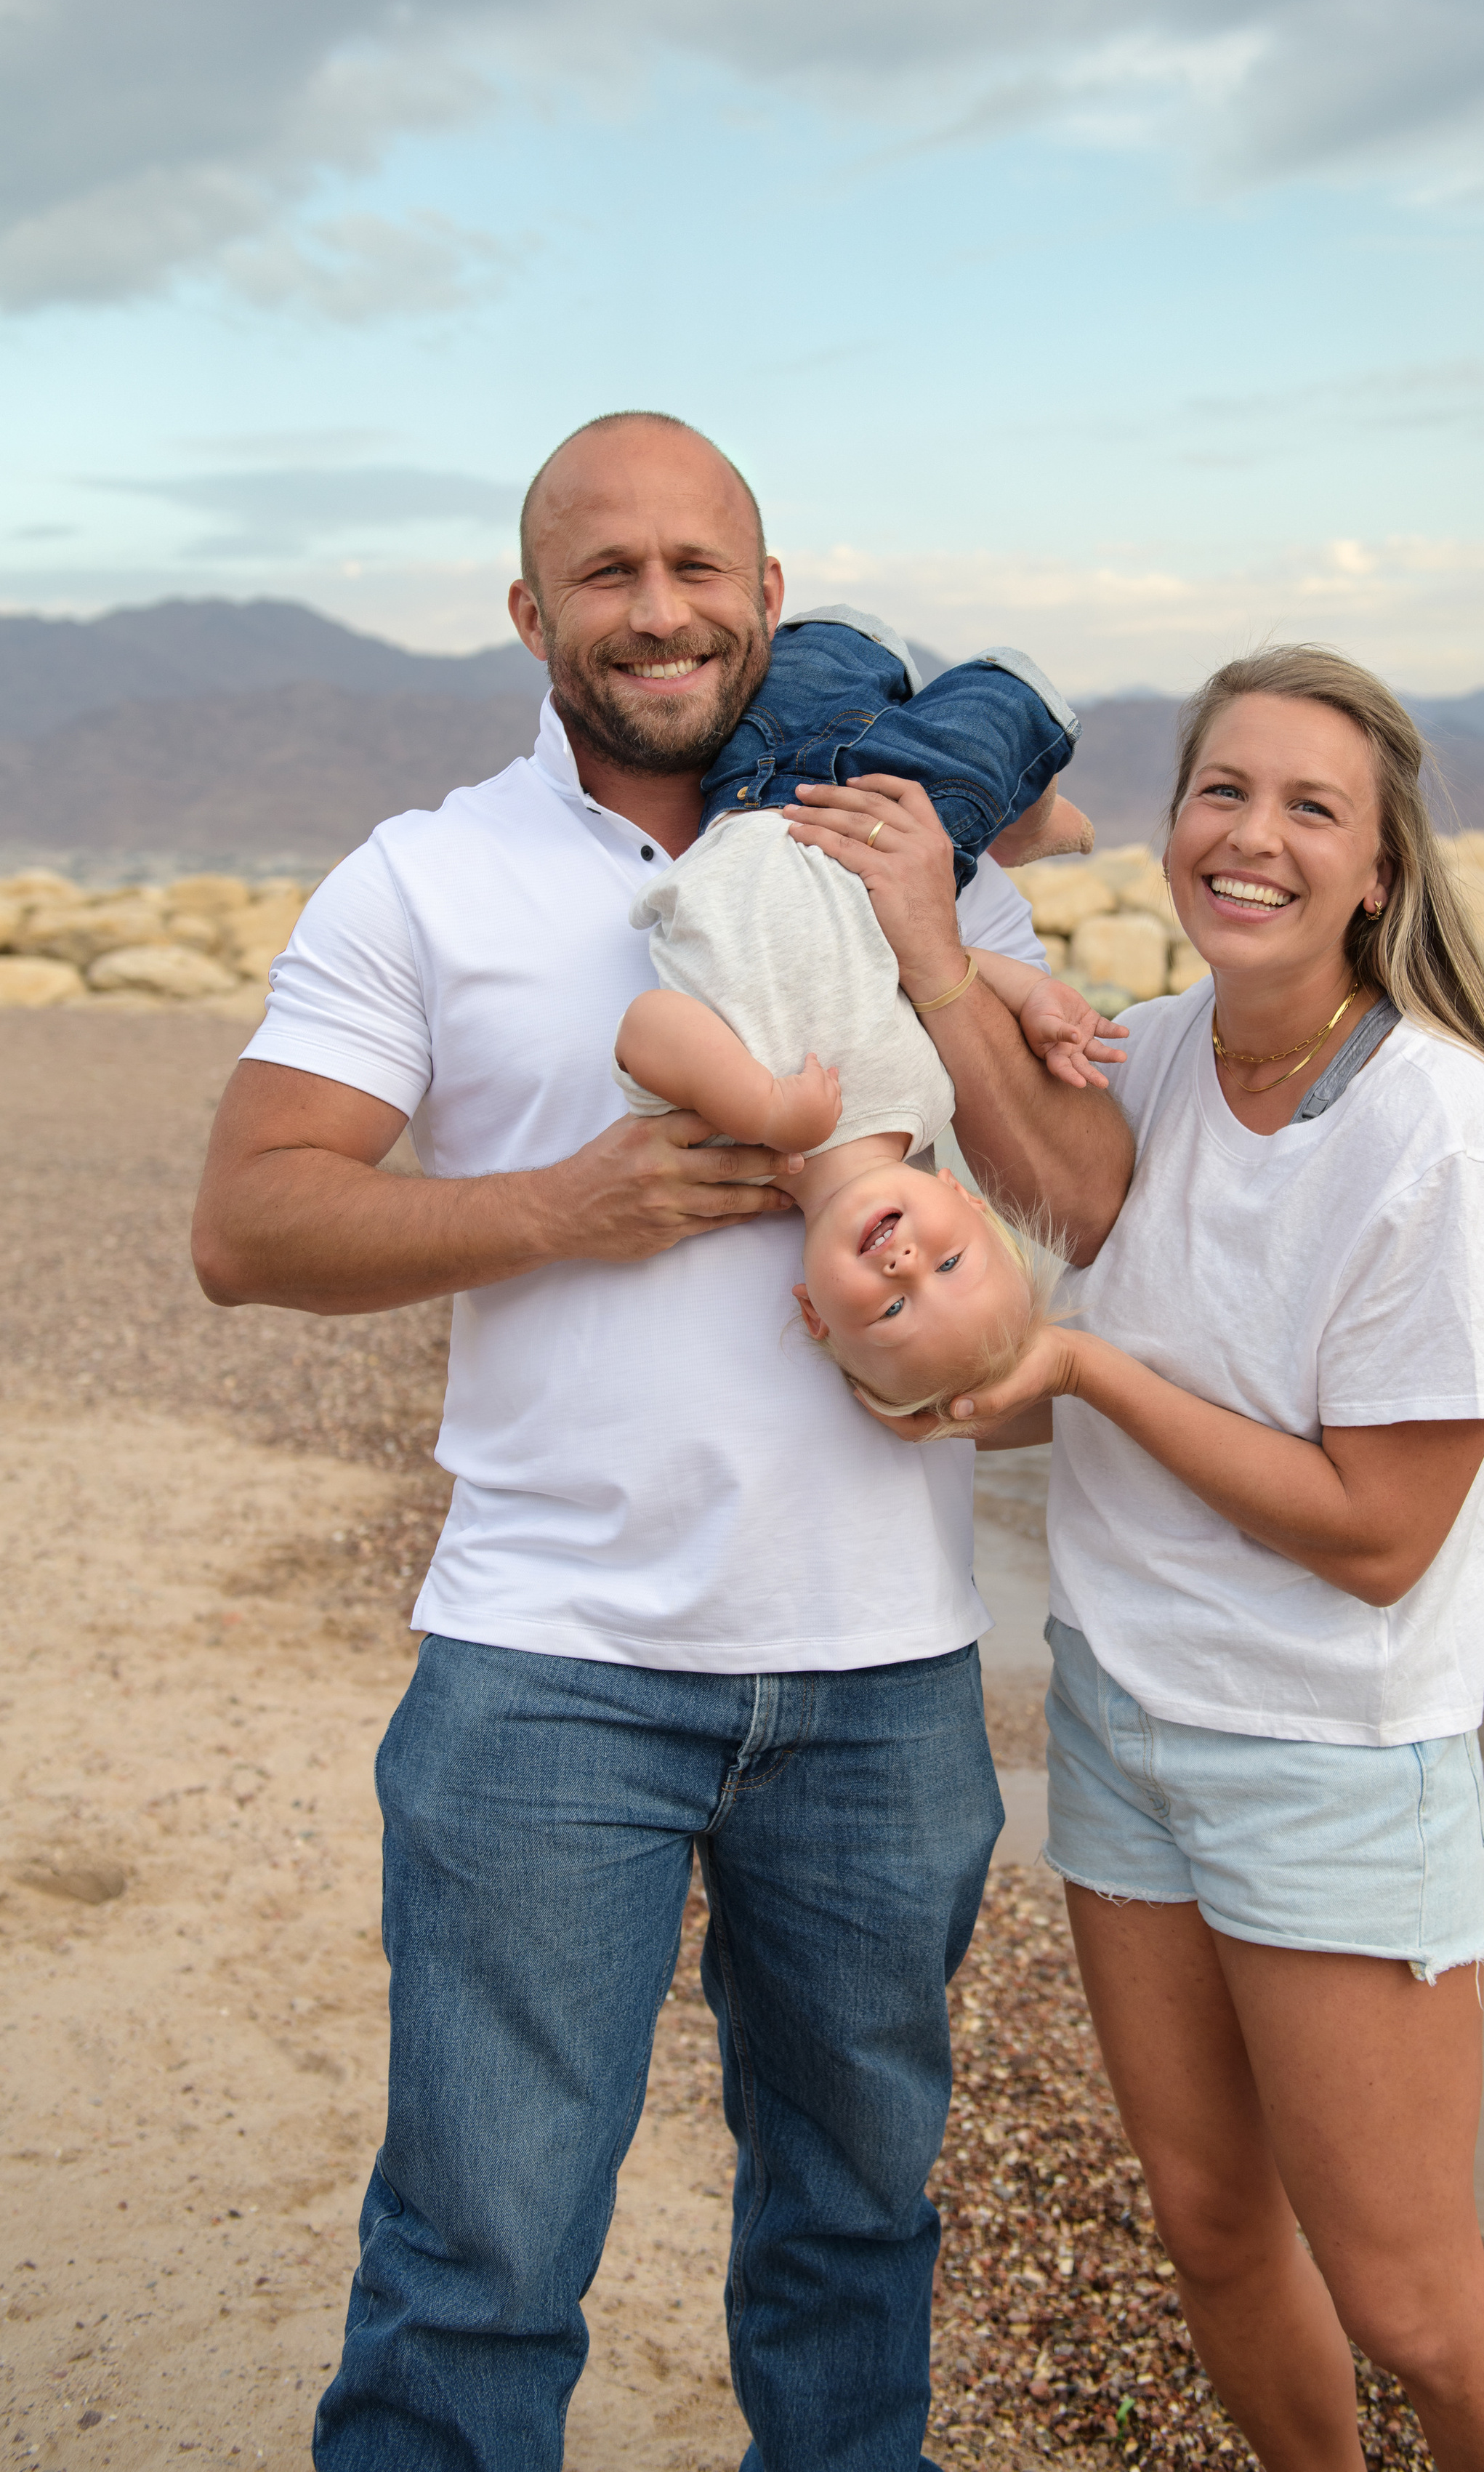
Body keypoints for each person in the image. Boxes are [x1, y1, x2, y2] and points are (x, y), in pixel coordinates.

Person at [188, 410, 1129, 2472]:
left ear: (772, 597)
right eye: (608, 575)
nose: (661, 610)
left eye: (702, 568)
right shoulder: (428, 876)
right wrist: (560, 1207)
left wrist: (943, 954)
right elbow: (249, 1222)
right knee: (481, 2262)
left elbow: (1090, 1195)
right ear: (532, 613)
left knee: (856, 2234)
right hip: (546, 1673)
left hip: (884, 1677)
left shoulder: (914, 853)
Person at [786, 644, 1484, 2472]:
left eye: (1310, 806)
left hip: (1322, 1756)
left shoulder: (1432, 1128)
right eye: (1220, 791)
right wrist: (937, 946)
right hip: (1119, 1717)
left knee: (1406, 2300)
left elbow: (1381, 1538)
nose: (1251, 834)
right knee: (1214, 2231)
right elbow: (1066, 1200)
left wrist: (1068, 1368)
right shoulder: (1150, 1052)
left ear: (1376, 868)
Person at [616, 610, 1126, 1417]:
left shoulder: (731, 1147)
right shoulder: (929, 1103)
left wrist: (768, 1107)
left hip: (752, 790)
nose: (907, 1267)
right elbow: (923, 960)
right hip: (890, 821)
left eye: (891, 1311)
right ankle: (1027, 820)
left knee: (830, 649)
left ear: (814, 1312)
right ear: (965, 1199)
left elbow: (646, 1027)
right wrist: (1031, 996)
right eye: (951, 1264)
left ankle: (1005, 808)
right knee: (1005, 706)